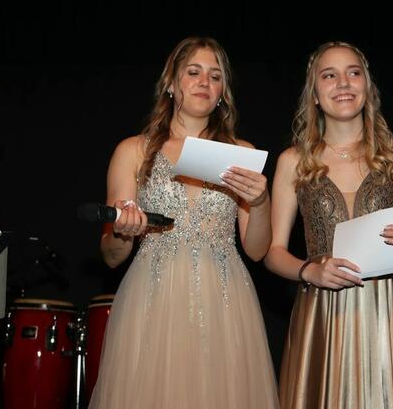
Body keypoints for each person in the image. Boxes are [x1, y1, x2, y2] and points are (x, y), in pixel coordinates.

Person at [88, 37, 279, 408]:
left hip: (225, 299)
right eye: (193, 72)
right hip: (154, 296)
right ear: (171, 84)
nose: (204, 82)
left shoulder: (242, 153)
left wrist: (260, 202)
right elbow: (111, 256)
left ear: (222, 92)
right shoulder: (134, 150)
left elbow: (257, 251)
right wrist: (123, 232)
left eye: (215, 76)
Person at [265, 41, 393, 408]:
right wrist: (310, 271)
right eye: (329, 75)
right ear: (314, 94)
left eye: (353, 73)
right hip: (322, 313)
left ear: (367, 87)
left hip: (385, 310)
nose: (343, 83)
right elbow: (273, 252)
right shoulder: (294, 161)